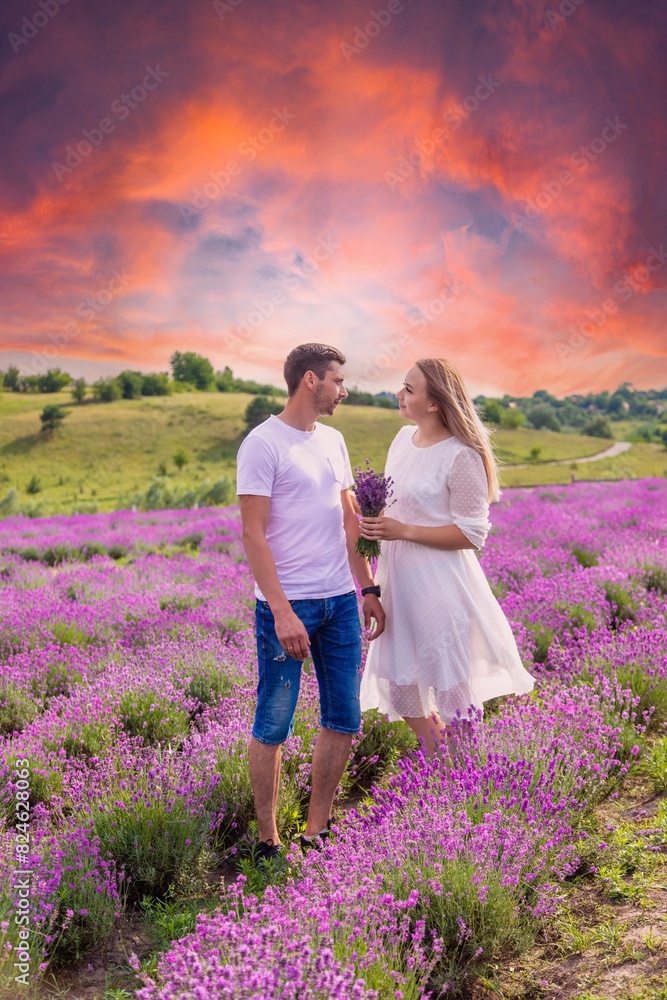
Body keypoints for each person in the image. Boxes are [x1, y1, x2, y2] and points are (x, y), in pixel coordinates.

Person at [237, 343, 385, 862]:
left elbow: (350, 520)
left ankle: (316, 829)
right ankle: (266, 841)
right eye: (337, 381)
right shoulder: (262, 444)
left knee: (343, 715)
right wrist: (281, 611)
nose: (344, 390)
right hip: (287, 605)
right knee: (274, 721)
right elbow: (253, 536)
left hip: (340, 602)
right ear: (309, 381)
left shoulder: (335, 441)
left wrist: (366, 587)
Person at [358, 358, 534, 754]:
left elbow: (473, 534)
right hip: (397, 580)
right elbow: (397, 506)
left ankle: (468, 778)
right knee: (402, 688)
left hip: (439, 584)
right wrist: (375, 522)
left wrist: (403, 530)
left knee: (452, 692)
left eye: (409, 389)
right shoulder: (402, 440)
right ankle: (448, 765)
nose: (399, 394)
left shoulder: (461, 455)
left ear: (434, 403)